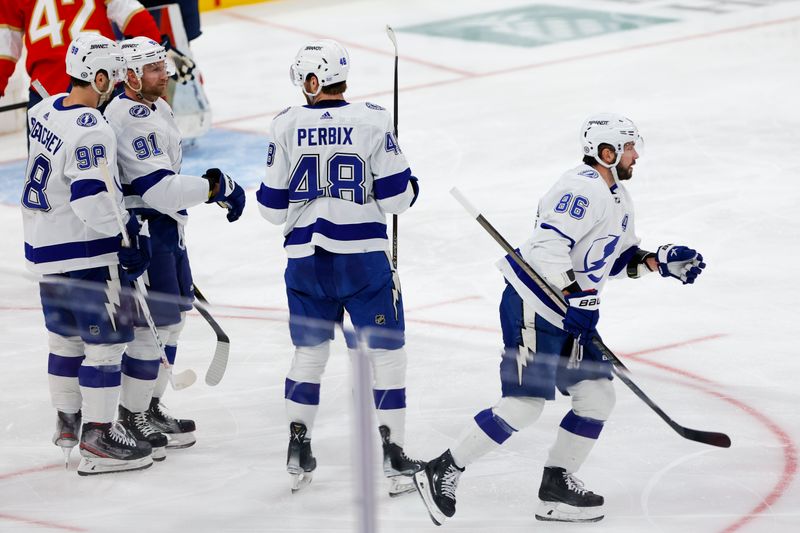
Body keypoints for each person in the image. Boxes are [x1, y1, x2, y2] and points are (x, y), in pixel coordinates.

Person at [413, 114, 707, 524]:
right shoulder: (580, 190)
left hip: (569, 312)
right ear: (607, 153)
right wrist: (577, 296)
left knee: (597, 397)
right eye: (629, 147)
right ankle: (443, 468)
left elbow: (614, 260)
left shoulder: (618, 196)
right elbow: (546, 249)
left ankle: (556, 487)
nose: (636, 154)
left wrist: (656, 262)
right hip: (534, 305)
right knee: (523, 405)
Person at [257, 39, 422, 496]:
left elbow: (271, 209)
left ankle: (297, 445)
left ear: (313, 81)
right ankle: (394, 455)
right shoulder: (372, 119)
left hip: (306, 262)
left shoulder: (285, 125)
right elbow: (397, 199)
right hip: (363, 262)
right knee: (387, 356)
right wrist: (412, 185)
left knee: (309, 355)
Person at [103, 36, 245, 457]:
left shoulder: (157, 105)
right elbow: (159, 189)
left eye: (162, 66)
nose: (164, 74)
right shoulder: (126, 118)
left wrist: (203, 190)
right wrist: (214, 187)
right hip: (144, 230)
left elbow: (166, 181)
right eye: (154, 69)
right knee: (152, 328)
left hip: (166, 229)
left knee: (172, 322)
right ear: (129, 76)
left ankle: (148, 405)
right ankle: (131, 415)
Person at [22, 32, 153, 475]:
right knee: (106, 347)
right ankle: (98, 435)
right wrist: (128, 233)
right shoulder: (93, 126)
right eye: (112, 78)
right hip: (85, 253)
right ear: (96, 77)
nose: (116, 84)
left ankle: (67, 421)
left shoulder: (41, 110)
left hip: (45, 249)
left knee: (64, 340)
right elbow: (90, 198)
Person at [0, 0, 194, 109]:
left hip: (46, 92)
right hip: (102, 85)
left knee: (47, 173)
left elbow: (5, 51)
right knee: (119, 169)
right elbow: (133, 15)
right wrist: (158, 53)